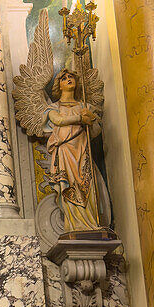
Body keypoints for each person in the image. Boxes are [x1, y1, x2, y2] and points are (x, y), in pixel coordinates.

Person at [45, 68, 102, 232]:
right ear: (59, 85)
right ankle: (74, 224)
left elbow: (96, 132)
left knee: (86, 184)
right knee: (68, 185)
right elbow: (59, 120)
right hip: (65, 151)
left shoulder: (85, 106)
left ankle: (89, 222)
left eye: (71, 77)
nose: (69, 79)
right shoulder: (53, 108)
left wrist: (91, 121)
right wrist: (80, 118)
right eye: (64, 78)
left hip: (82, 149)